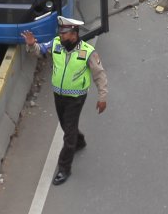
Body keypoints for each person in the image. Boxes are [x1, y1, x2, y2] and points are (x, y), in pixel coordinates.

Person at [22, 16, 108, 186]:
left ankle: (64, 168)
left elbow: (100, 75)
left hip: (76, 98)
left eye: (64, 33)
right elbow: (39, 51)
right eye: (60, 32)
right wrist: (31, 44)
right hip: (58, 95)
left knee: (68, 135)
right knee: (66, 125)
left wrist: (102, 97)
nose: (61, 35)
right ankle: (80, 140)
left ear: (74, 34)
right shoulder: (55, 44)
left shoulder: (87, 52)